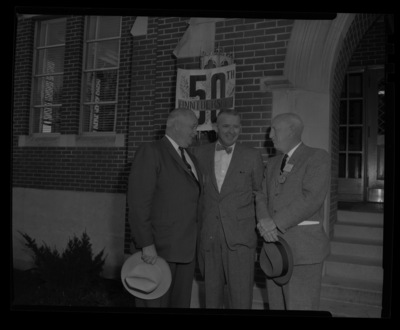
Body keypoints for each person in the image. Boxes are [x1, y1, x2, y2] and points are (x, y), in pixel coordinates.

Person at [192, 109, 269, 309]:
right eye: (226, 126)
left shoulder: (252, 156)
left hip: (241, 239)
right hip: (209, 236)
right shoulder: (199, 154)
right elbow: (195, 195)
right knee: (211, 297)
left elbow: (260, 194)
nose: (231, 131)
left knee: (241, 298)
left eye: (236, 126)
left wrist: (265, 223)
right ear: (216, 127)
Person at [127, 108, 202, 308]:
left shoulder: (191, 159)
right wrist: (146, 244)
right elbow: (138, 203)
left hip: (185, 252)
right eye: (193, 127)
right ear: (176, 125)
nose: (196, 132)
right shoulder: (151, 151)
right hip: (158, 252)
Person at [258, 112, 330, 310]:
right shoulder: (272, 163)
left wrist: (275, 222)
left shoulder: (316, 156)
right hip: (274, 250)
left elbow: (312, 197)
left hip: (303, 252)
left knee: (301, 308)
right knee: (276, 307)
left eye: (274, 129)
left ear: (292, 130)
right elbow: (261, 195)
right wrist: (265, 222)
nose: (270, 135)